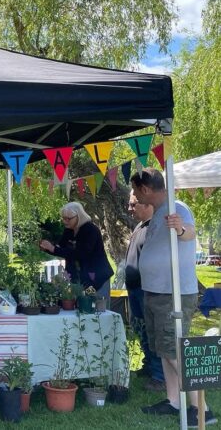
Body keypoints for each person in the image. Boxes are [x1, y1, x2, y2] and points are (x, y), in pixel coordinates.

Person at [132, 168, 215, 425]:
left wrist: (179, 229)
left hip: (173, 294)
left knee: (174, 352)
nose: (134, 197)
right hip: (156, 292)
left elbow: (189, 232)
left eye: (135, 191)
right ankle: (174, 401)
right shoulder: (157, 213)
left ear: (145, 189)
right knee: (165, 351)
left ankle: (202, 409)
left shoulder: (176, 206)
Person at [124, 190, 165, 392]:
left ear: (147, 204)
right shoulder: (140, 226)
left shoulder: (154, 228)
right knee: (141, 330)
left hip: (146, 289)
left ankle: (160, 376)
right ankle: (149, 365)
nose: (129, 209)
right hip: (135, 288)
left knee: (152, 332)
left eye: (133, 204)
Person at [39, 202, 113, 302]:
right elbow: (60, 248)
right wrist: (47, 248)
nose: (65, 221)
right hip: (80, 278)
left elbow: (81, 254)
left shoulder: (91, 230)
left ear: (78, 216)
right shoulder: (69, 230)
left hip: (97, 277)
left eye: (68, 219)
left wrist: (53, 249)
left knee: (97, 308)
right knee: (81, 306)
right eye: (63, 218)